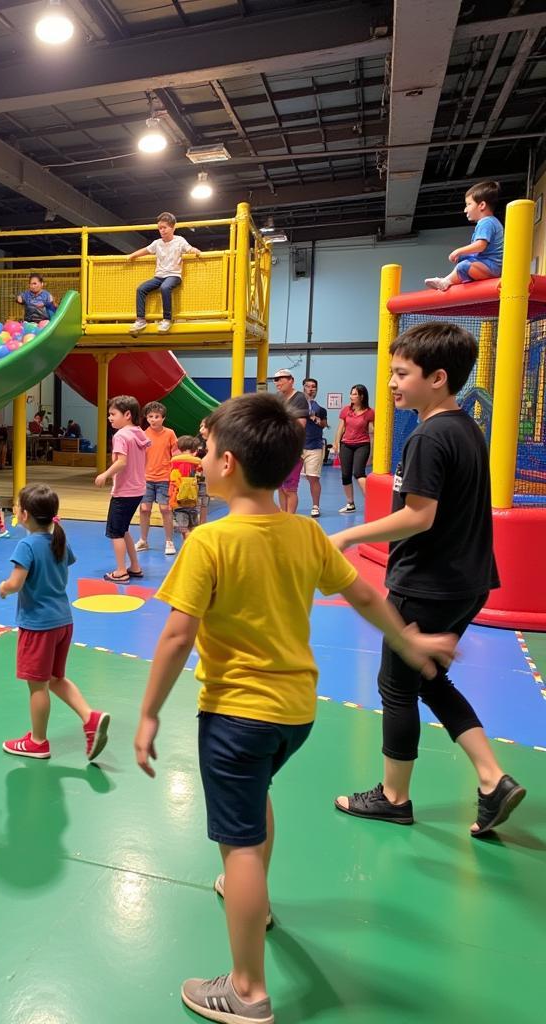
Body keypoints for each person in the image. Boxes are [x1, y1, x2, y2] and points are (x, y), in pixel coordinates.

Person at [132, 393, 457, 1024]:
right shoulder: (305, 532)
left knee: (239, 845)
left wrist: (149, 713)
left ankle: (247, 989)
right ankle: (255, 900)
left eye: (206, 451)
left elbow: (177, 636)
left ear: (226, 464)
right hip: (295, 711)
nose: (199, 460)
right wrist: (409, 639)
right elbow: (365, 595)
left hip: (235, 715)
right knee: (256, 804)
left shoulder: (209, 541)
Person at [331, 322, 526, 837]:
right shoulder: (464, 427)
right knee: (430, 679)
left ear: (437, 377)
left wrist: (349, 537)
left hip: (429, 584)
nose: (391, 382)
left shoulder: (428, 435)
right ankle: (492, 780)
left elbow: (419, 515)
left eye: (401, 373)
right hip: (468, 580)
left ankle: (394, 797)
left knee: (396, 686)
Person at [0, 483, 110, 761]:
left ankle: (38, 742)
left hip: (38, 625)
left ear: (24, 515)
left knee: (38, 685)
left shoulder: (27, 545)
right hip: (63, 621)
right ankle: (90, 718)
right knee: (55, 677)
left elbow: (16, 582)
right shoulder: (59, 539)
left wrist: (4, 587)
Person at [94, 395, 150, 583]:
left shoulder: (121, 436)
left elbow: (121, 462)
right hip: (138, 489)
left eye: (113, 414)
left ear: (127, 414)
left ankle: (120, 571)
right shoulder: (139, 432)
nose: (109, 418)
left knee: (115, 531)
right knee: (123, 529)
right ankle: (134, 566)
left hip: (124, 491)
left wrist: (104, 475)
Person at [128, 212, 203, 334]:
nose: (162, 231)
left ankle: (167, 319)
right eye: (160, 228)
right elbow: (146, 250)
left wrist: (197, 252)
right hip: (159, 276)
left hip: (174, 275)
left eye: (164, 228)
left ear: (173, 227)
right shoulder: (157, 243)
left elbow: (189, 249)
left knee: (165, 287)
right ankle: (140, 320)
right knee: (141, 289)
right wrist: (132, 255)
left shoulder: (179, 241)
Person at [424, 181, 503, 292]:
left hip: (491, 268)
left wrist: (459, 251)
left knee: (464, 265)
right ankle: (450, 280)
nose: (465, 209)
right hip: (486, 264)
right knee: (462, 259)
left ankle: (446, 282)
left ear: (482, 205)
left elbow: (481, 246)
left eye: (469, 204)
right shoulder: (490, 222)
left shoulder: (486, 222)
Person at [136, 401, 179, 555]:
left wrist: (178, 470)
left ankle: (169, 541)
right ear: (146, 418)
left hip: (165, 478)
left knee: (165, 509)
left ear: (163, 418)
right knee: (145, 508)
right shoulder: (142, 434)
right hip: (146, 478)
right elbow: (138, 455)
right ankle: (143, 540)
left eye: (157, 416)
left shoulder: (170, 433)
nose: (153, 419)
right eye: (150, 416)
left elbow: (176, 452)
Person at [333, 384, 375, 513]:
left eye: (355, 394)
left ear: (362, 396)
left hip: (362, 445)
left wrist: (372, 453)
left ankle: (373, 502)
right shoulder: (346, 410)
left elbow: (372, 433)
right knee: (345, 475)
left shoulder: (369, 412)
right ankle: (350, 504)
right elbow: (341, 428)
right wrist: (336, 443)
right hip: (346, 444)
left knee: (358, 473)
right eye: (351, 393)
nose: (352, 396)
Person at [272, 369, 309, 514]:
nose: (278, 382)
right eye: (276, 380)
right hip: (278, 449)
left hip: (292, 449)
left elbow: (300, 425)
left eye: (282, 379)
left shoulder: (299, 398)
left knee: (290, 488)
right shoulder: (278, 398)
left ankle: (290, 517)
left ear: (291, 380)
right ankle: (283, 514)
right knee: (280, 487)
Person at [301, 377, 328, 518]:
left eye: (313, 387)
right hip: (297, 446)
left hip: (314, 447)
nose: (311, 389)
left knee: (313, 478)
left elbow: (324, 424)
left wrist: (316, 419)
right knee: (288, 478)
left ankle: (315, 506)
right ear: (303, 388)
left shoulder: (320, 409)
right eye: (308, 386)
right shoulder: (296, 406)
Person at [168, 435, 203, 542]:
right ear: (194, 449)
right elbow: (201, 478)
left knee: (182, 525)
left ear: (180, 447)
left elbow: (172, 480)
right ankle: (192, 544)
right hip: (193, 498)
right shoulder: (197, 462)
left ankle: (187, 543)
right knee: (193, 524)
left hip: (179, 498)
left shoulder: (174, 461)